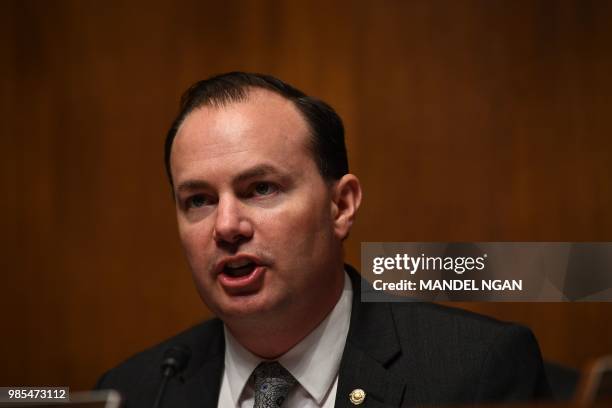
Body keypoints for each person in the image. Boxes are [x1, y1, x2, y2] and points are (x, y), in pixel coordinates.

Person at [96, 72, 551, 407]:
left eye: (261, 189)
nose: (226, 226)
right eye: (198, 200)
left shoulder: (475, 372)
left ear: (341, 206)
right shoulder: (135, 391)